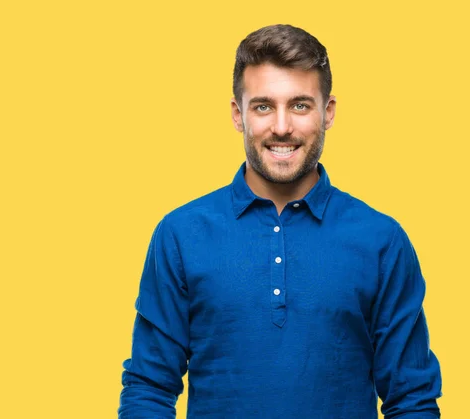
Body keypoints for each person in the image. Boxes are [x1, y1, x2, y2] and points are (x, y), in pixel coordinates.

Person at [118, 24, 442, 418]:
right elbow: (148, 389)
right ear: (239, 115)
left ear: (328, 112)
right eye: (263, 106)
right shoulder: (181, 235)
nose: (282, 126)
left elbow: (411, 401)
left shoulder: (382, 241)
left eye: (301, 105)